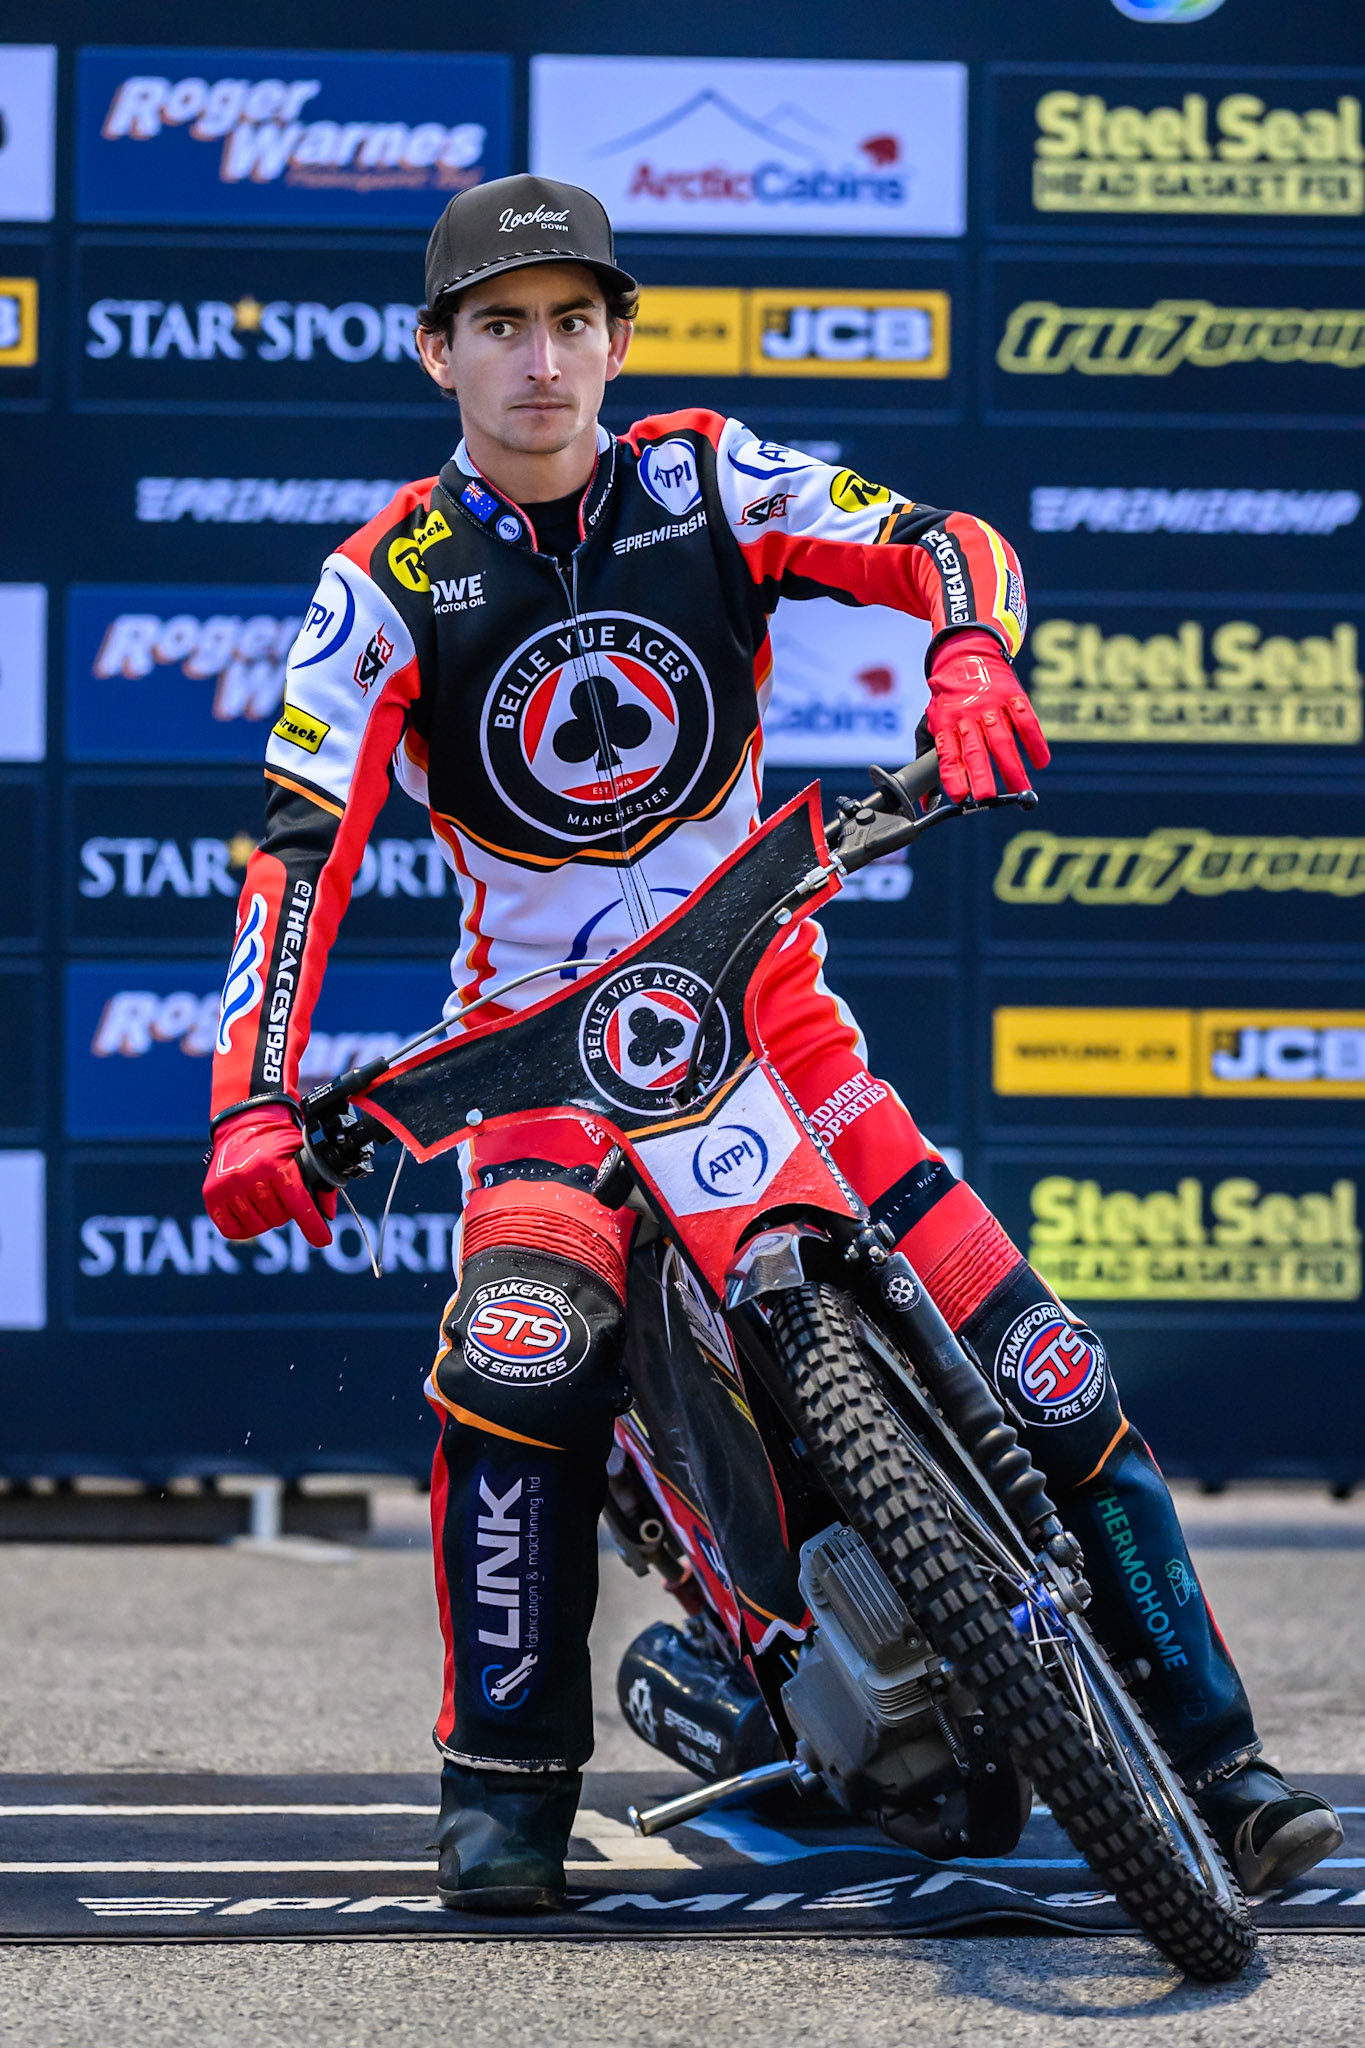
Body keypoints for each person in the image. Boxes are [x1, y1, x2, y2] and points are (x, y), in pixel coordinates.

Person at [202, 173, 1341, 1912]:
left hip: (773, 1016)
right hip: (539, 1061)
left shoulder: (703, 475)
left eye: (574, 321)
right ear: (437, 352)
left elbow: (950, 540)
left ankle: (1223, 1762)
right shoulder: (381, 587)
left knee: (1051, 1374)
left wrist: (967, 651)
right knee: (518, 1365)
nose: (542, 360)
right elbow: (299, 846)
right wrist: (251, 1100)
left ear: (618, 340)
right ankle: (503, 1786)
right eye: (501, 327)